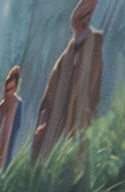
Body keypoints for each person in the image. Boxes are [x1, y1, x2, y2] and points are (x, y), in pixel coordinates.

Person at [31, 0, 105, 158]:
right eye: (80, 17)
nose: (83, 21)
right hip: (61, 119)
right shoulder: (65, 58)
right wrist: (43, 121)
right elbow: (50, 93)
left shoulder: (97, 42)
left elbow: (96, 82)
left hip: (84, 118)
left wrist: (89, 110)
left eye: (87, 16)